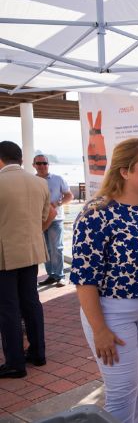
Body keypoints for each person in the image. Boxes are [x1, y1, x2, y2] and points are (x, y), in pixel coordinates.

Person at [70, 138, 138, 423]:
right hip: (114, 312)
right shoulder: (96, 214)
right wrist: (99, 328)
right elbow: (84, 278)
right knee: (121, 389)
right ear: (124, 171)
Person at [0, 141, 50, 378]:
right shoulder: (39, 183)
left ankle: (15, 363)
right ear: (20, 160)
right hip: (31, 253)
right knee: (31, 303)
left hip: (5, 256)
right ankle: (38, 353)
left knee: (8, 308)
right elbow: (45, 216)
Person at [33, 154, 74, 287]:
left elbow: (69, 195)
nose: (42, 166)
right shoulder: (31, 181)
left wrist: (57, 203)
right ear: (34, 165)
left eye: (44, 163)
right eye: (39, 164)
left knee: (57, 248)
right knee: (45, 249)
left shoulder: (58, 179)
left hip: (56, 219)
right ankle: (51, 275)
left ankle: (60, 276)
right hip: (39, 220)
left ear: (48, 164)